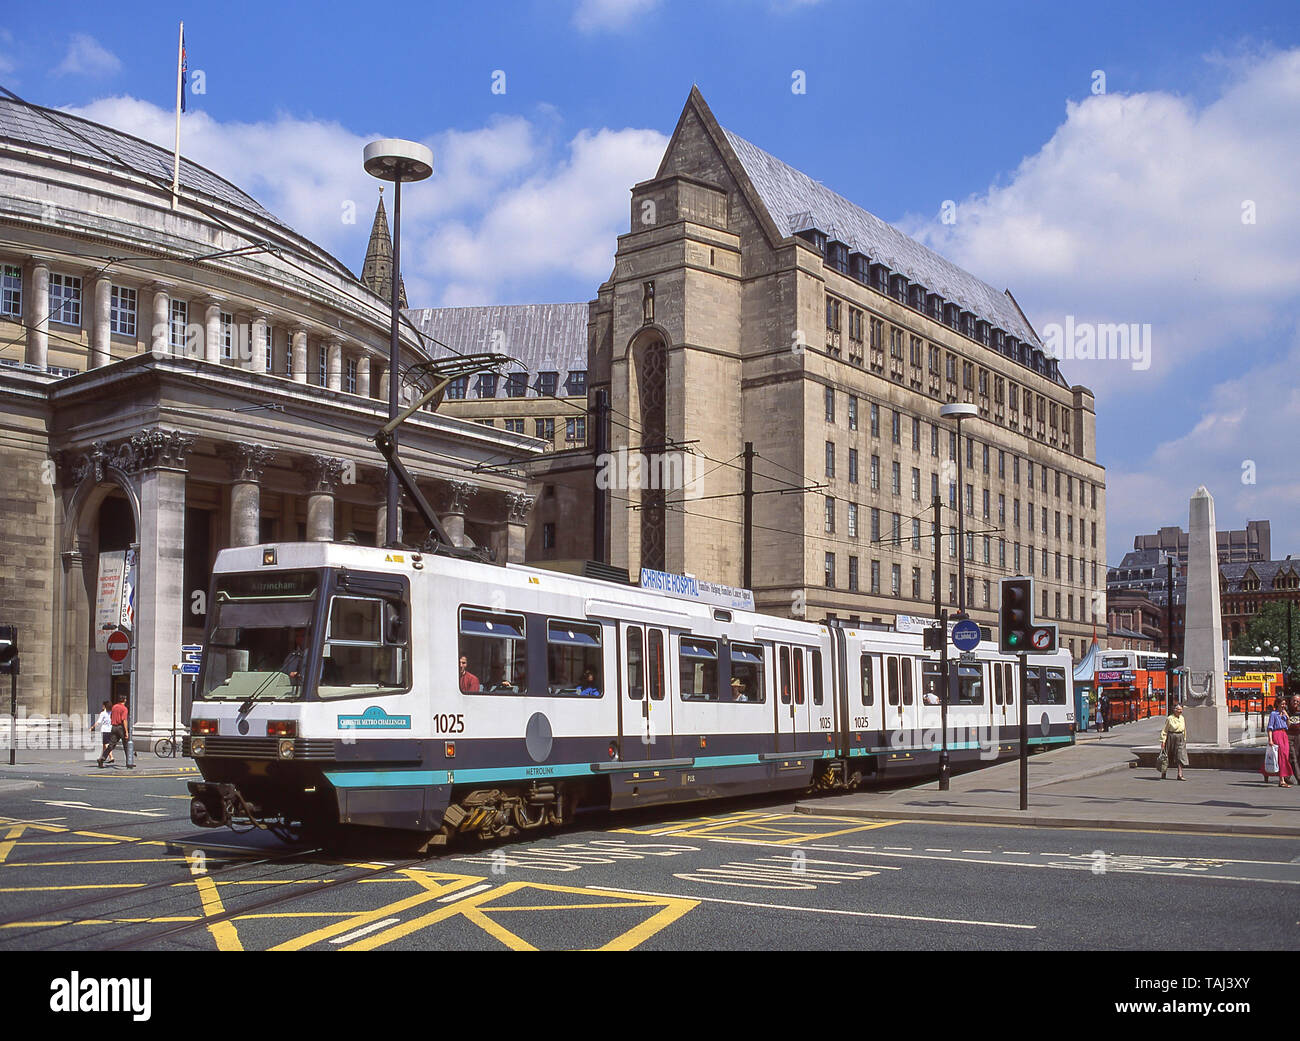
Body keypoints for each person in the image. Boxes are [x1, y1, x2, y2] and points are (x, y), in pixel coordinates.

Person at [1262, 697, 1293, 787]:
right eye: (1282, 704)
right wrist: (1270, 739)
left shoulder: (1283, 714)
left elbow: (1288, 726)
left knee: (1284, 756)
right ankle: (1282, 780)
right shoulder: (1273, 714)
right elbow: (1270, 728)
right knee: (1281, 756)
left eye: (1285, 704)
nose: (1284, 706)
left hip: (1284, 735)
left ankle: (1266, 772)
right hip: (1277, 735)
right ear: (1278, 704)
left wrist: (1287, 718)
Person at [97, 695, 131, 768]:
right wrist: (126, 731)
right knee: (126, 745)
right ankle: (129, 762)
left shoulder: (114, 707)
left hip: (113, 727)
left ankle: (102, 758)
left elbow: (111, 717)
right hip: (121, 727)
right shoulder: (124, 708)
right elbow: (124, 720)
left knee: (111, 745)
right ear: (124, 700)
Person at [1159, 703, 1188, 780]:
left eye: (1181, 709)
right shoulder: (1169, 718)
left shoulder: (1182, 718)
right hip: (1171, 736)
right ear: (1174, 710)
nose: (1180, 711)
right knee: (1167, 755)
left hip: (1180, 737)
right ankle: (1163, 772)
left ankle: (1180, 774)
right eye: (1178, 709)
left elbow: (1184, 729)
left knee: (1180, 755)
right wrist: (1163, 741)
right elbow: (1165, 730)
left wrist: (1184, 739)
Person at [90, 700, 113, 765]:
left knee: (106, 744)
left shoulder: (103, 713)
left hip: (104, 730)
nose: (102, 706)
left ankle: (111, 757)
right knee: (104, 744)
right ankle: (103, 757)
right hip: (110, 729)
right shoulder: (111, 712)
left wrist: (92, 727)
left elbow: (98, 722)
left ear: (105, 706)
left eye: (103, 705)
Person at [1288, 695, 1300, 782]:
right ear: (1291, 701)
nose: (1295, 703)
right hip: (1289, 735)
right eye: (1294, 701)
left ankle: (1286, 777)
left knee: (1297, 756)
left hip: (1298, 735)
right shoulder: (1287, 711)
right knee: (1293, 756)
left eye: (1297, 701)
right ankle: (1299, 778)